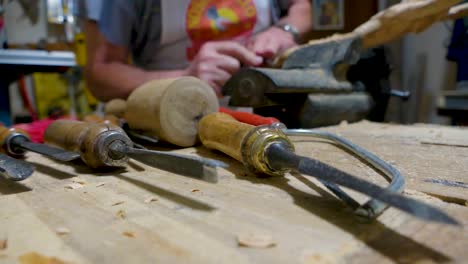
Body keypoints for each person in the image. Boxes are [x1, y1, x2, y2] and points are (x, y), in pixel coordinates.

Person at [83, 0, 312, 101]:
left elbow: (300, 6)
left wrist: (285, 30)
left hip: (269, 108)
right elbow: (100, 74)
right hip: (172, 120)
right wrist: (183, 79)